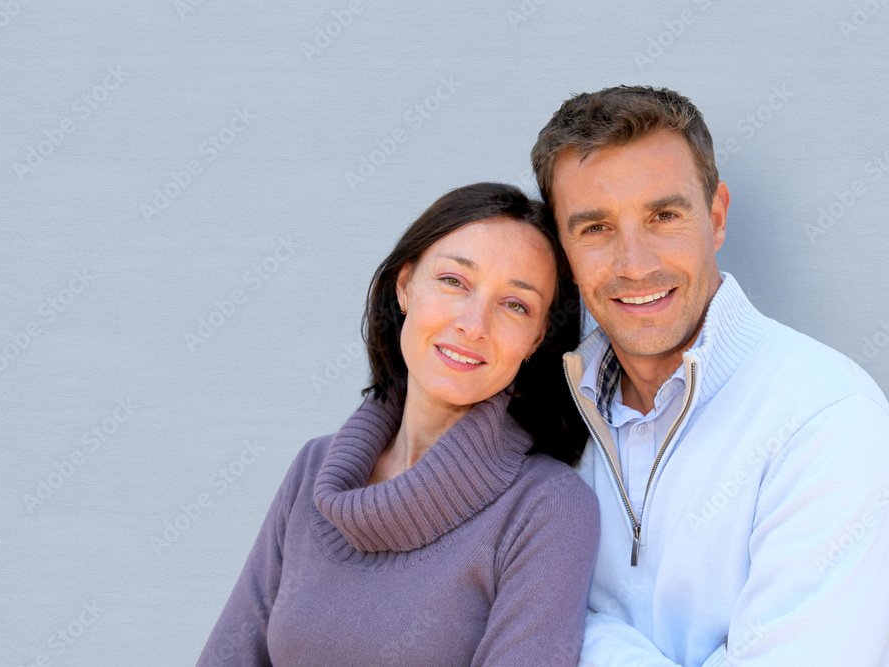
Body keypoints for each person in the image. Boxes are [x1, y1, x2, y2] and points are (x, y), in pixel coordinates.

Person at [529, 86, 889, 666]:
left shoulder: (829, 423)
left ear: (714, 219)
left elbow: (521, 625)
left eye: (664, 216)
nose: (634, 265)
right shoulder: (548, 417)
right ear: (562, 250)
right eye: (595, 228)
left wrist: (569, 635)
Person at [196, 182, 600, 666]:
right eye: (454, 281)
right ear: (405, 285)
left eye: (515, 305)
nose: (474, 324)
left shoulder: (548, 508)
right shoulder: (313, 469)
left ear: (537, 339)